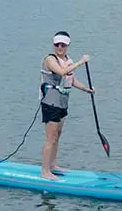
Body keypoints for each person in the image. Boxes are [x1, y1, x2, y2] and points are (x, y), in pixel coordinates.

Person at [39, 31, 93, 180]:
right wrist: (81, 62)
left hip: (62, 103)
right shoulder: (50, 59)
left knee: (58, 135)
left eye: (63, 44)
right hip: (50, 102)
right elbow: (62, 72)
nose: (60, 47)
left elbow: (71, 79)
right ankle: (44, 171)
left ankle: (53, 165)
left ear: (67, 45)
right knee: (50, 138)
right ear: (54, 45)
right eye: (57, 44)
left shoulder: (68, 60)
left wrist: (86, 89)